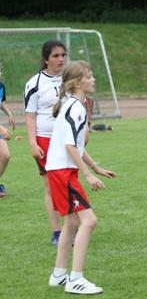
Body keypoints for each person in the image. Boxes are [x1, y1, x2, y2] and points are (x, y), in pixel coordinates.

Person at [46, 61, 117, 295]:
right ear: (77, 83)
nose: (93, 79)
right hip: (63, 173)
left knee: (71, 222)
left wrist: (96, 167)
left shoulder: (71, 104)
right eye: (88, 76)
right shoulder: (75, 107)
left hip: (59, 171)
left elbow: (75, 145)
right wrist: (87, 174)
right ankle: (76, 279)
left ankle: (59, 274)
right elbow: (70, 146)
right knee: (89, 221)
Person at [24, 40, 67, 245]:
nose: (61, 59)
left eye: (63, 55)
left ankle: (71, 227)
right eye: (56, 56)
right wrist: (33, 143)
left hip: (67, 139)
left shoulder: (70, 79)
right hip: (44, 140)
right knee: (51, 187)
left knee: (68, 184)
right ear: (45, 59)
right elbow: (30, 116)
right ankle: (57, 232)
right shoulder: (34, 83)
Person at [0, 62, 16, 198]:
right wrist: (1, 128)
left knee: (5, 155)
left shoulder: (1, 86)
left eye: (0, 70)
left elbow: (1, 102)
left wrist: (9, 113)